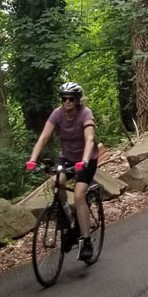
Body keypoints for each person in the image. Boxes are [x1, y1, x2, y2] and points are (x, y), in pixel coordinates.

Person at [26, 82, 98, 262]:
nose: (67, 102)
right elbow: (43, 138)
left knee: (80, 194)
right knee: (55, 182)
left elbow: (89, 140)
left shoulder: (85, 113)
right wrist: (32, 160)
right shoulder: (57, 114)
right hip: (67, 157)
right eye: (64, 98)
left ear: (77, 100)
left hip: (87, 159)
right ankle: (69, 220)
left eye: (71, 99)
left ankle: (87, 241)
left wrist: (85, 160)